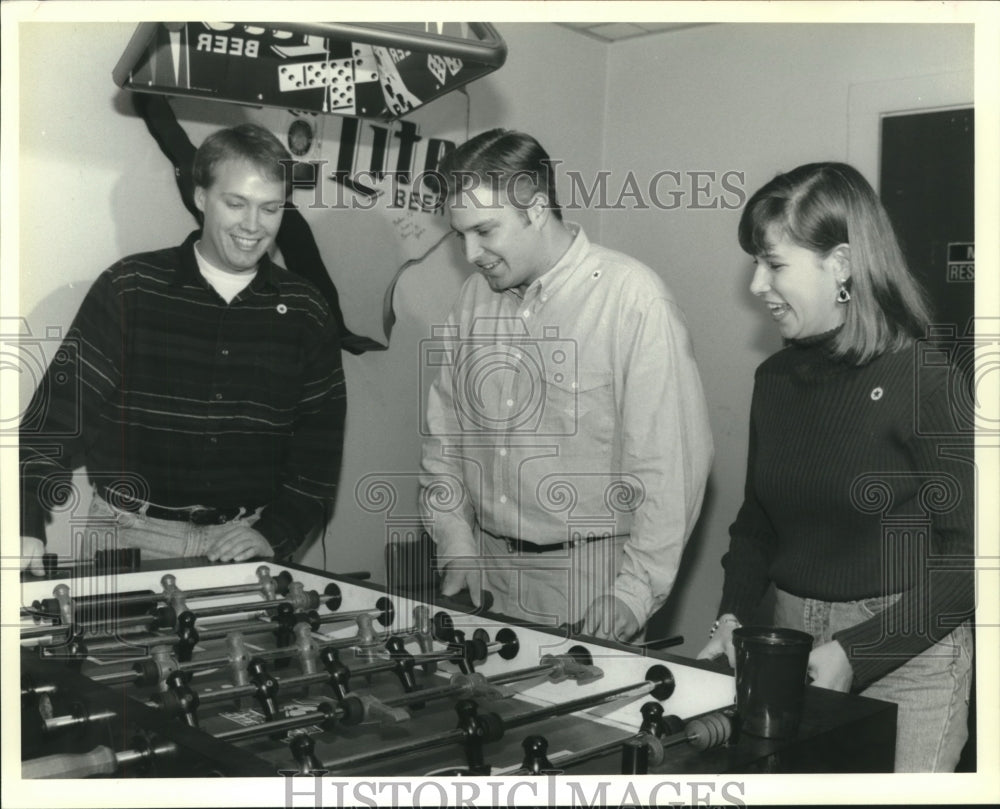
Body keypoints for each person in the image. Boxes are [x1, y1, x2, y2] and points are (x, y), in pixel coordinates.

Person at [696, 162, 974, 772]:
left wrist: (860, 650)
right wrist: (733, 613)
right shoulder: (773, 379)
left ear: (841, 265)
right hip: (787, 646)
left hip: (908, 654)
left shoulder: (922, 378)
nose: (755, 286)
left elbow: (975, 555)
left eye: (774, 264)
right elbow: (758, 522)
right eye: (755, 263)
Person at [419, 129, 713, 641]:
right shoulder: (473, 299)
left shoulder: (633, 300)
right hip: (484, 572)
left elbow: (671, 467)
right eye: (460, 234)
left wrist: (634, 593)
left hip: (591, 584)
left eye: (485, 230)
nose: (470, 252)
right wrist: (455, 544)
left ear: (535, 209)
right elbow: (444, 438)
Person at [20, 123, 346, 572]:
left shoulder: (307, 310)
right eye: (236, 204)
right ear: (200, 197)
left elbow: (320, 449)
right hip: (127, 537)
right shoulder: (129, 288)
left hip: (243, 540)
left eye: (270, 209)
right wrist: (24, 523)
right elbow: (52, 421)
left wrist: (273, 533)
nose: (253, 226)